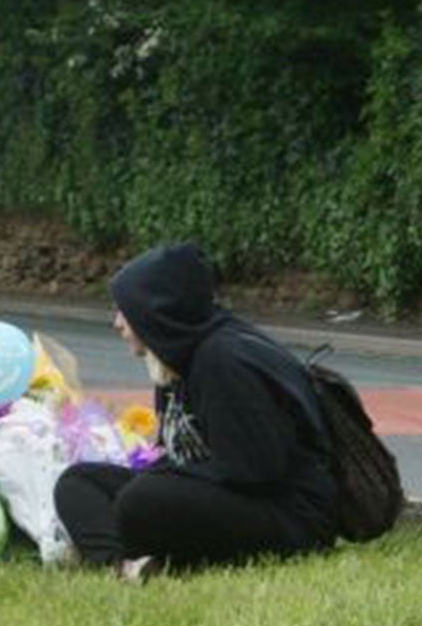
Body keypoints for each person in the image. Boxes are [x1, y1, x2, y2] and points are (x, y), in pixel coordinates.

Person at [53, 242, 340, 578]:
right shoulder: (175, 357)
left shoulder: (224, 361)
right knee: (78, 482)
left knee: (142, 499)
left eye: (125, 311)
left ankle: (144, 552)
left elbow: (255, 469)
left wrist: (164, 479)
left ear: (157, 310)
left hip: (290, 513)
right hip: (222, 493)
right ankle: (121, 569)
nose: (117, 323)